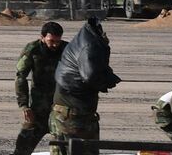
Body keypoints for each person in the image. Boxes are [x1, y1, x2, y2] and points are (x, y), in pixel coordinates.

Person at [50, 17, 119, 155]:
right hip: (72, 117)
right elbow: (91, 76)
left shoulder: (84, 41)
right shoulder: (89, 45)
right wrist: (107, 81)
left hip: (70, 113)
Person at [12, 21, 67, 155]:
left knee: (61, 149)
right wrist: (24, 105)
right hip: (38, 109)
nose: (55, 45)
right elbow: (20, 77)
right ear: (42, 37)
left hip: (60, 109)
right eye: (51, 41)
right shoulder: (32, 50)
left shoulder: (67, 49)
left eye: (57, 41)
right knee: (22, 147)